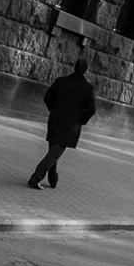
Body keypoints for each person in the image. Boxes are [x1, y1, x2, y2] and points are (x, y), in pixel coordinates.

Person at [28, 58, 96, 190]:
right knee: (55, 152)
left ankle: (53, 179)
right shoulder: (88, 88)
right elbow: (91, 109)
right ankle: (35, 178)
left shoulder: (61, 81)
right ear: (86, 71)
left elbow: (47, 98)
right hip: (70, 125)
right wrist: (82, 120)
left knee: (53, 149)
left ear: (74, 67)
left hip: (55, 119)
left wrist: (53, 109)